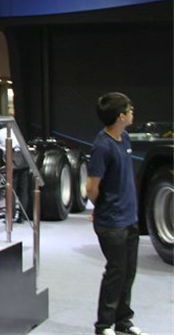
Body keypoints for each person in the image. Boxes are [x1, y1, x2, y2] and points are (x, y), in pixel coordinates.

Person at [85, 92, 146, 335]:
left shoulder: (125, 138)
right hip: (112, 223)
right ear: (121, 116)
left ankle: (123, 321)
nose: (133, 112)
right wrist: (101, 208)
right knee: (116, 272)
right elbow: (91, 188)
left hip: (130, 218)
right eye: (130, 110)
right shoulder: (102, 146)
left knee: (128, 272)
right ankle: (103, 325)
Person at [0, 125, 29, 222]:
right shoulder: (14, 130)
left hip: (13, 158)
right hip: (24, 156)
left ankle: (10, 216)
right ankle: (22, 217)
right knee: (23, 189)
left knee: (11, 189)